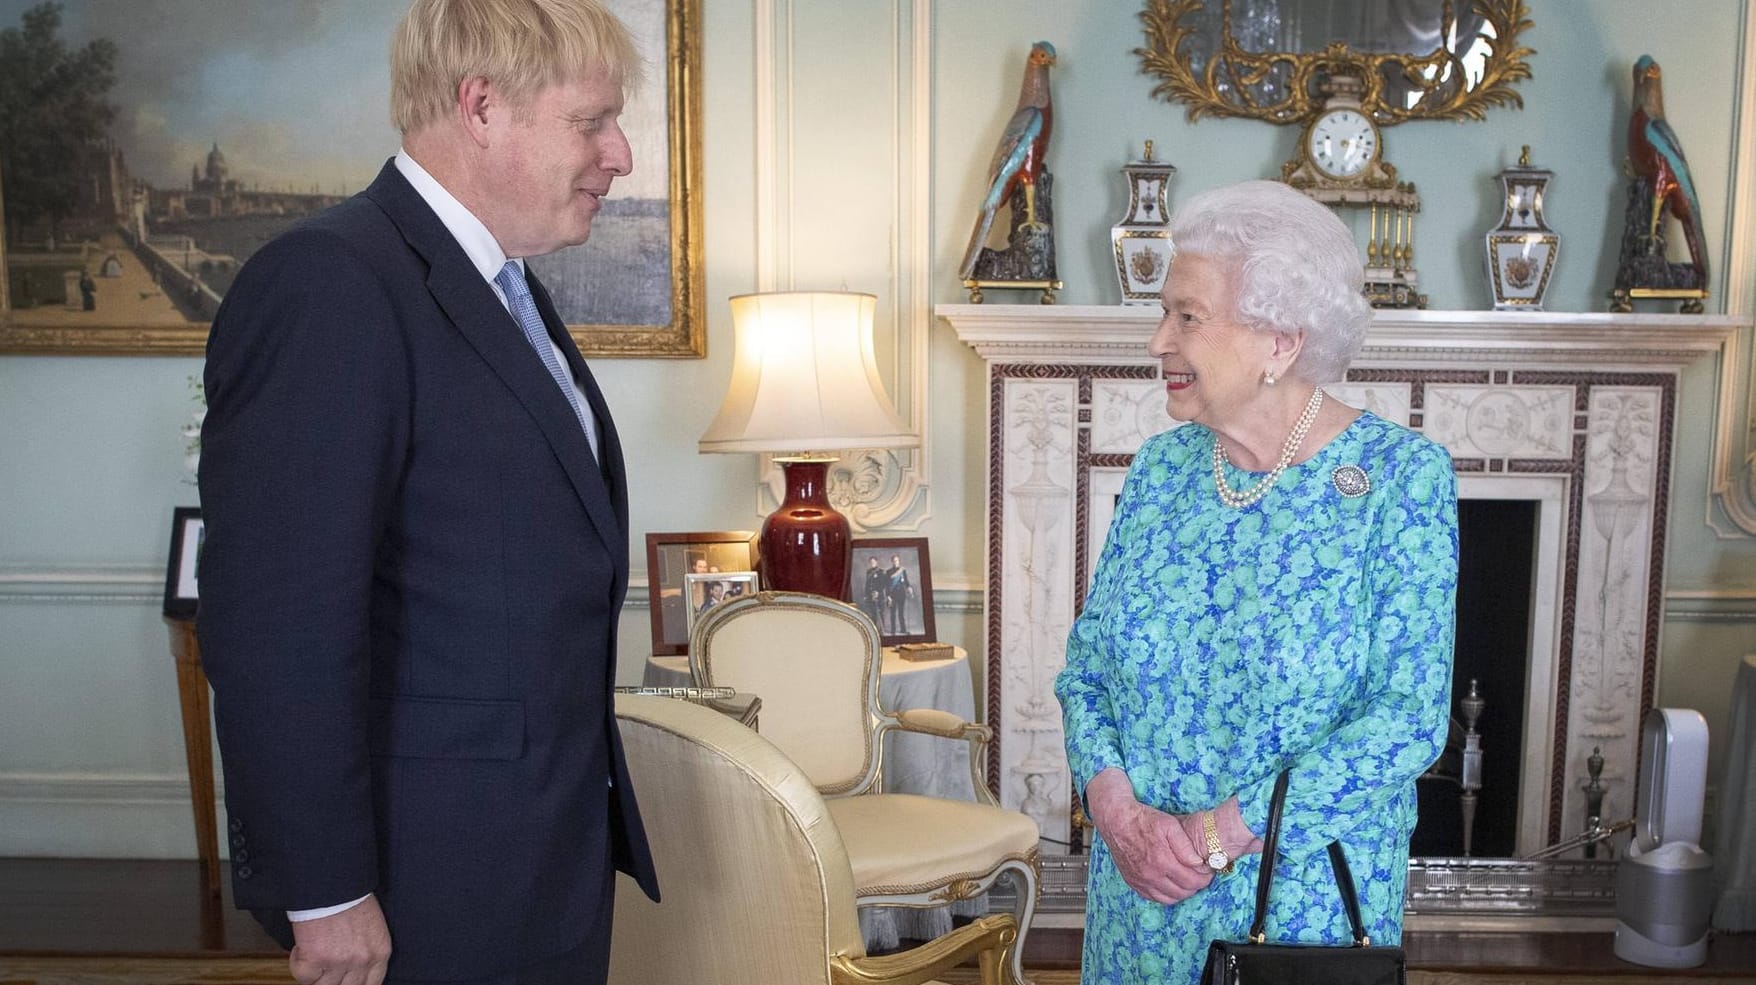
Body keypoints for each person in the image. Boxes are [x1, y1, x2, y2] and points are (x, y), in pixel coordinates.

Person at [196, 2, 658, 983]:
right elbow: (279, 623)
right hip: (426, 883)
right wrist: (325, 891)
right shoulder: (330, 283)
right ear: (481, 105)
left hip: (539, 859)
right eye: (593, 120)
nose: (620, 153)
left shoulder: (505, 283)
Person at [1054, 180, 1457, 985]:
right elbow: (1086, 668)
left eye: (1188, 317)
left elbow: (1408, 720)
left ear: (1280, 342)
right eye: (1163, 312)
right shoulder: (1163, 469)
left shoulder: (1399, 479)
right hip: (1138, 892)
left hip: (1295, 906)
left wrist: (1214, 836)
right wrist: (1115, 810)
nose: (1157, 341)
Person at [885, 553, 914, 635]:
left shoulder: (903, 570)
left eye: (897, 561)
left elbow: (906, 581)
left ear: (899, 561)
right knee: (893, 613)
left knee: (901, 613)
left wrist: (909, 588)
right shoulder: (888, 572)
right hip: (892, 594)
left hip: (901, 594)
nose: (895, 562)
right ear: (892, 562)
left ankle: (903, 629)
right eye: (894, 561)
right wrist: (888, 596)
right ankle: (893, 630)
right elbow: (887, 585)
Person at [861, 555, 886, 626]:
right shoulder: (868, 572)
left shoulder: (881, 572)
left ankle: (882, 629)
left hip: (879, 595)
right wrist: (866, 595)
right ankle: (875, 628)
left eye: (873, 562)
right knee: (873, 612)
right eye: (871, 562)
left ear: (876, 562)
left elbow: (883, 584)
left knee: (881, 612)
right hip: (870, 595)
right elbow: (867, 584)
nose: (872, 563)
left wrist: (877, 591)